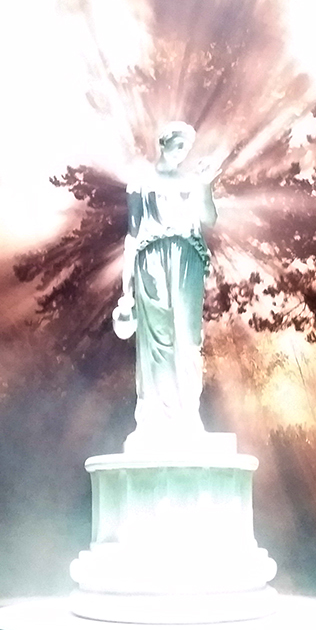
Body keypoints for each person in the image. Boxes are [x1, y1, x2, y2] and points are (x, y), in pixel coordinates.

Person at [113, 120, 216, 442]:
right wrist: (126, 292)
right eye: (177, 145)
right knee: (158, 338)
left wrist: (206, 186)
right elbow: (132, 237)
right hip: (151, 258)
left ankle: (188, 416)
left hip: (187, 258)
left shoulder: (192, 179)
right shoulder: (141, 182)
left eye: (186, 147)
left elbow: (209, 219)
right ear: (163, 143)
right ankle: (155, 417)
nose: (182, 153)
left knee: (188, 338)